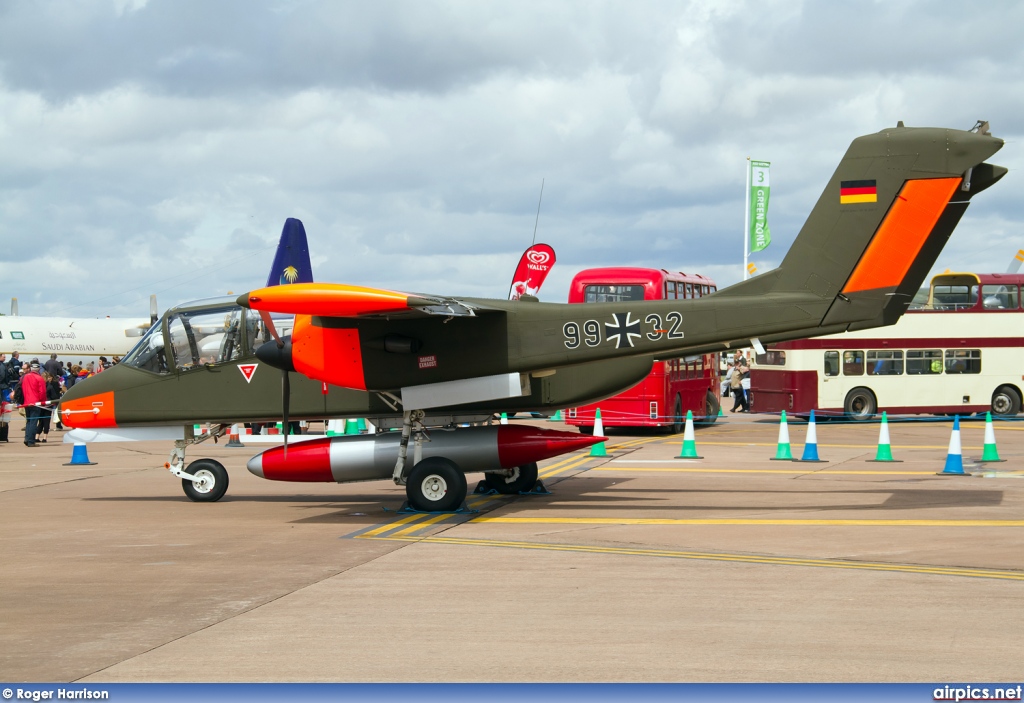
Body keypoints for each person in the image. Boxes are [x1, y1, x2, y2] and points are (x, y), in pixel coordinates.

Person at [20, 363, 46, 447]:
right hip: (35, 402)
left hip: (27, 402)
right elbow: (42, 392)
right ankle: (31, 441)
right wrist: (43, 402)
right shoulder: (39, 378)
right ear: (38, 369)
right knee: (33, 422)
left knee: (29, 421)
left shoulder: (25, 377)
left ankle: (27, 438)